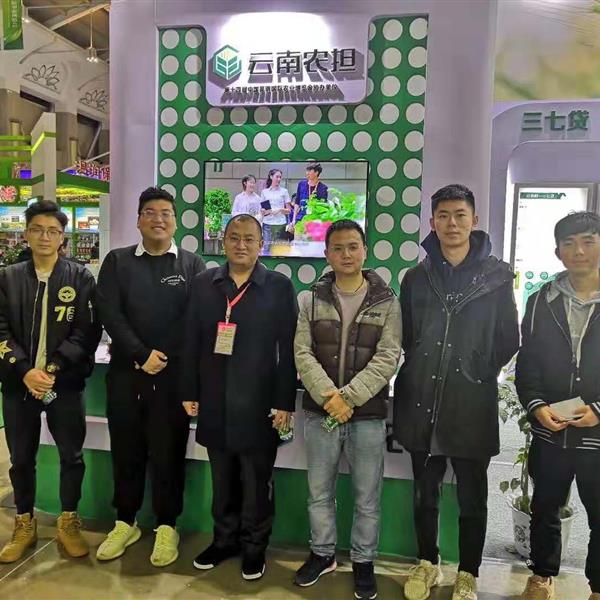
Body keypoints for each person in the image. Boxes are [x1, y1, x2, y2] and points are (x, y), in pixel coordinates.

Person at [394, 184, 519, 600]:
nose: (452, 223)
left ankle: (468, 572)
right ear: (432, 222)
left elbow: (508, 338)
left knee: (472, 497)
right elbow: (406, 335)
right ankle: (426, 562)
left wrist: (476, 370)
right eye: (443, 215)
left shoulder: (497, 278)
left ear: (474, 220)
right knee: (424, 493)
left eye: (460, 215)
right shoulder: (416, 277)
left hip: (471, 401)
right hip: (421, 399)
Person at [180, 213, 298, 581]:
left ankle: (254, 547)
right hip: (214, 399)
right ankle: (224, 540)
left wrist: (284, 401)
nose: (241, 245)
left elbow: (289, 349)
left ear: (261, 244)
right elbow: (190, 339)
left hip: (260, 403)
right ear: (223, 241)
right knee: (223, 480)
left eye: (249, 238)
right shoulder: (204, 284)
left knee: (256, 482)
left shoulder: (278, 287)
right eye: (234, 237)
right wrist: (189, 390)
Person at [95, 186, 205, 567]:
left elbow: (195, 321)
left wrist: (164, 358)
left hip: (172, 382)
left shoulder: (192, 265)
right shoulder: (118, 261)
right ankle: (125, 522)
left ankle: (167, 526)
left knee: (168, 454)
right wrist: (141, 355)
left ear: (175, 221)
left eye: (166, 213)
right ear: (139, 220)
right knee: (126, 452)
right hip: (126, 375)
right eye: (151, 212)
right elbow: (109, 313)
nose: (159, 219)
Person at [294, 219, 401, 600]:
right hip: (320, 410)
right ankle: (322, 554)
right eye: (337, 248)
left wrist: (349, 398)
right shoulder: (310, 299)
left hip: (367, 414)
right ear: (327, 254)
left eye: (353, 246)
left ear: (365, 251)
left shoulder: (387, 301)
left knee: (367, 496)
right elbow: (302, 352)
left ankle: (363, 561)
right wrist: (330, 397)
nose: (346, 254)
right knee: (319, 492)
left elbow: (388, 356)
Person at [0, 200, 101, 563]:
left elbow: (87, 332)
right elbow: (0, 329)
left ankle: (68, 522)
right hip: (18, 384)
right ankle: (24, 523)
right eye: (37, 230)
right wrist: (25, 370)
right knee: (20, 459)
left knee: (71, 457)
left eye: (53, 231)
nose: (45, 237)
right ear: (26, 235)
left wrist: (53, 369)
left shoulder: (80, 278)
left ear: (63, 237)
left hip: (66, 384)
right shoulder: (8, 278)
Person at [516, 212, 600, 600]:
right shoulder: (540, 302)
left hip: (597, 431)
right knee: (545, 507)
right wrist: (536, 406)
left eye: (588, 241)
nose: (578, 251)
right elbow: (527, 363)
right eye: (569, 243)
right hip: (551, 429)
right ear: (557, 252)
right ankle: (542, 576)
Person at [260, 168, 291, 249]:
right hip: (267, 223)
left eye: (280, 177)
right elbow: (263, 210)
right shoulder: (264, 192)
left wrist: (280, 210)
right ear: (271, 177)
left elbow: (289, 210)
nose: (279, 179)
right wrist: (264, 211)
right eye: (277, 177)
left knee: (279, 249)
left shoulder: (284, 191)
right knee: (267, 248)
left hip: (280, 224)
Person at [293, 162, 328, 226]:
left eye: (309, 171)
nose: (307, 173)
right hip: (300, 219)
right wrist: (294, 219)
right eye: (307, 171)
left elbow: (322, 207)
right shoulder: (301, 184)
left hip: (314, 220)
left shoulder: (323, 188)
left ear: (316, 172)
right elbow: (297, 202)